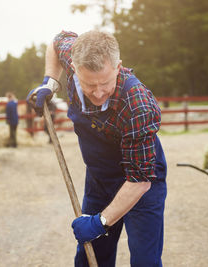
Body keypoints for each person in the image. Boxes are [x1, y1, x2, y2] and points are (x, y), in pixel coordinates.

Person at [27, 30, 167, 267]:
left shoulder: (138, 105)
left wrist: (100, 222)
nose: (99, 93)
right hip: (99, 181)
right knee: (90, 260)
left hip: (140, 186)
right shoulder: (72, 56)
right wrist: (50, 82)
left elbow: (140, 181)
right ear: (74, 66)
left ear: (118, 66)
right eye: (89, 85)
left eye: (105, 83)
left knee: (145, 261)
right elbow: (56, 41)